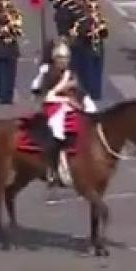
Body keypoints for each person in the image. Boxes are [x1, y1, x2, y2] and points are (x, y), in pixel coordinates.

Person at [37, 42, 97, 187]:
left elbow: (79, 91)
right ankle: (52, 166)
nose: (63, 62)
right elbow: (47, 96)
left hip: (71, 105)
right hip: (55, 106)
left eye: (66, 58)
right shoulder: (49, 74)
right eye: (60, 58)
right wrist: (64, 92)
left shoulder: (71, 74)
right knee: (57, 131)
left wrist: (84, 101)